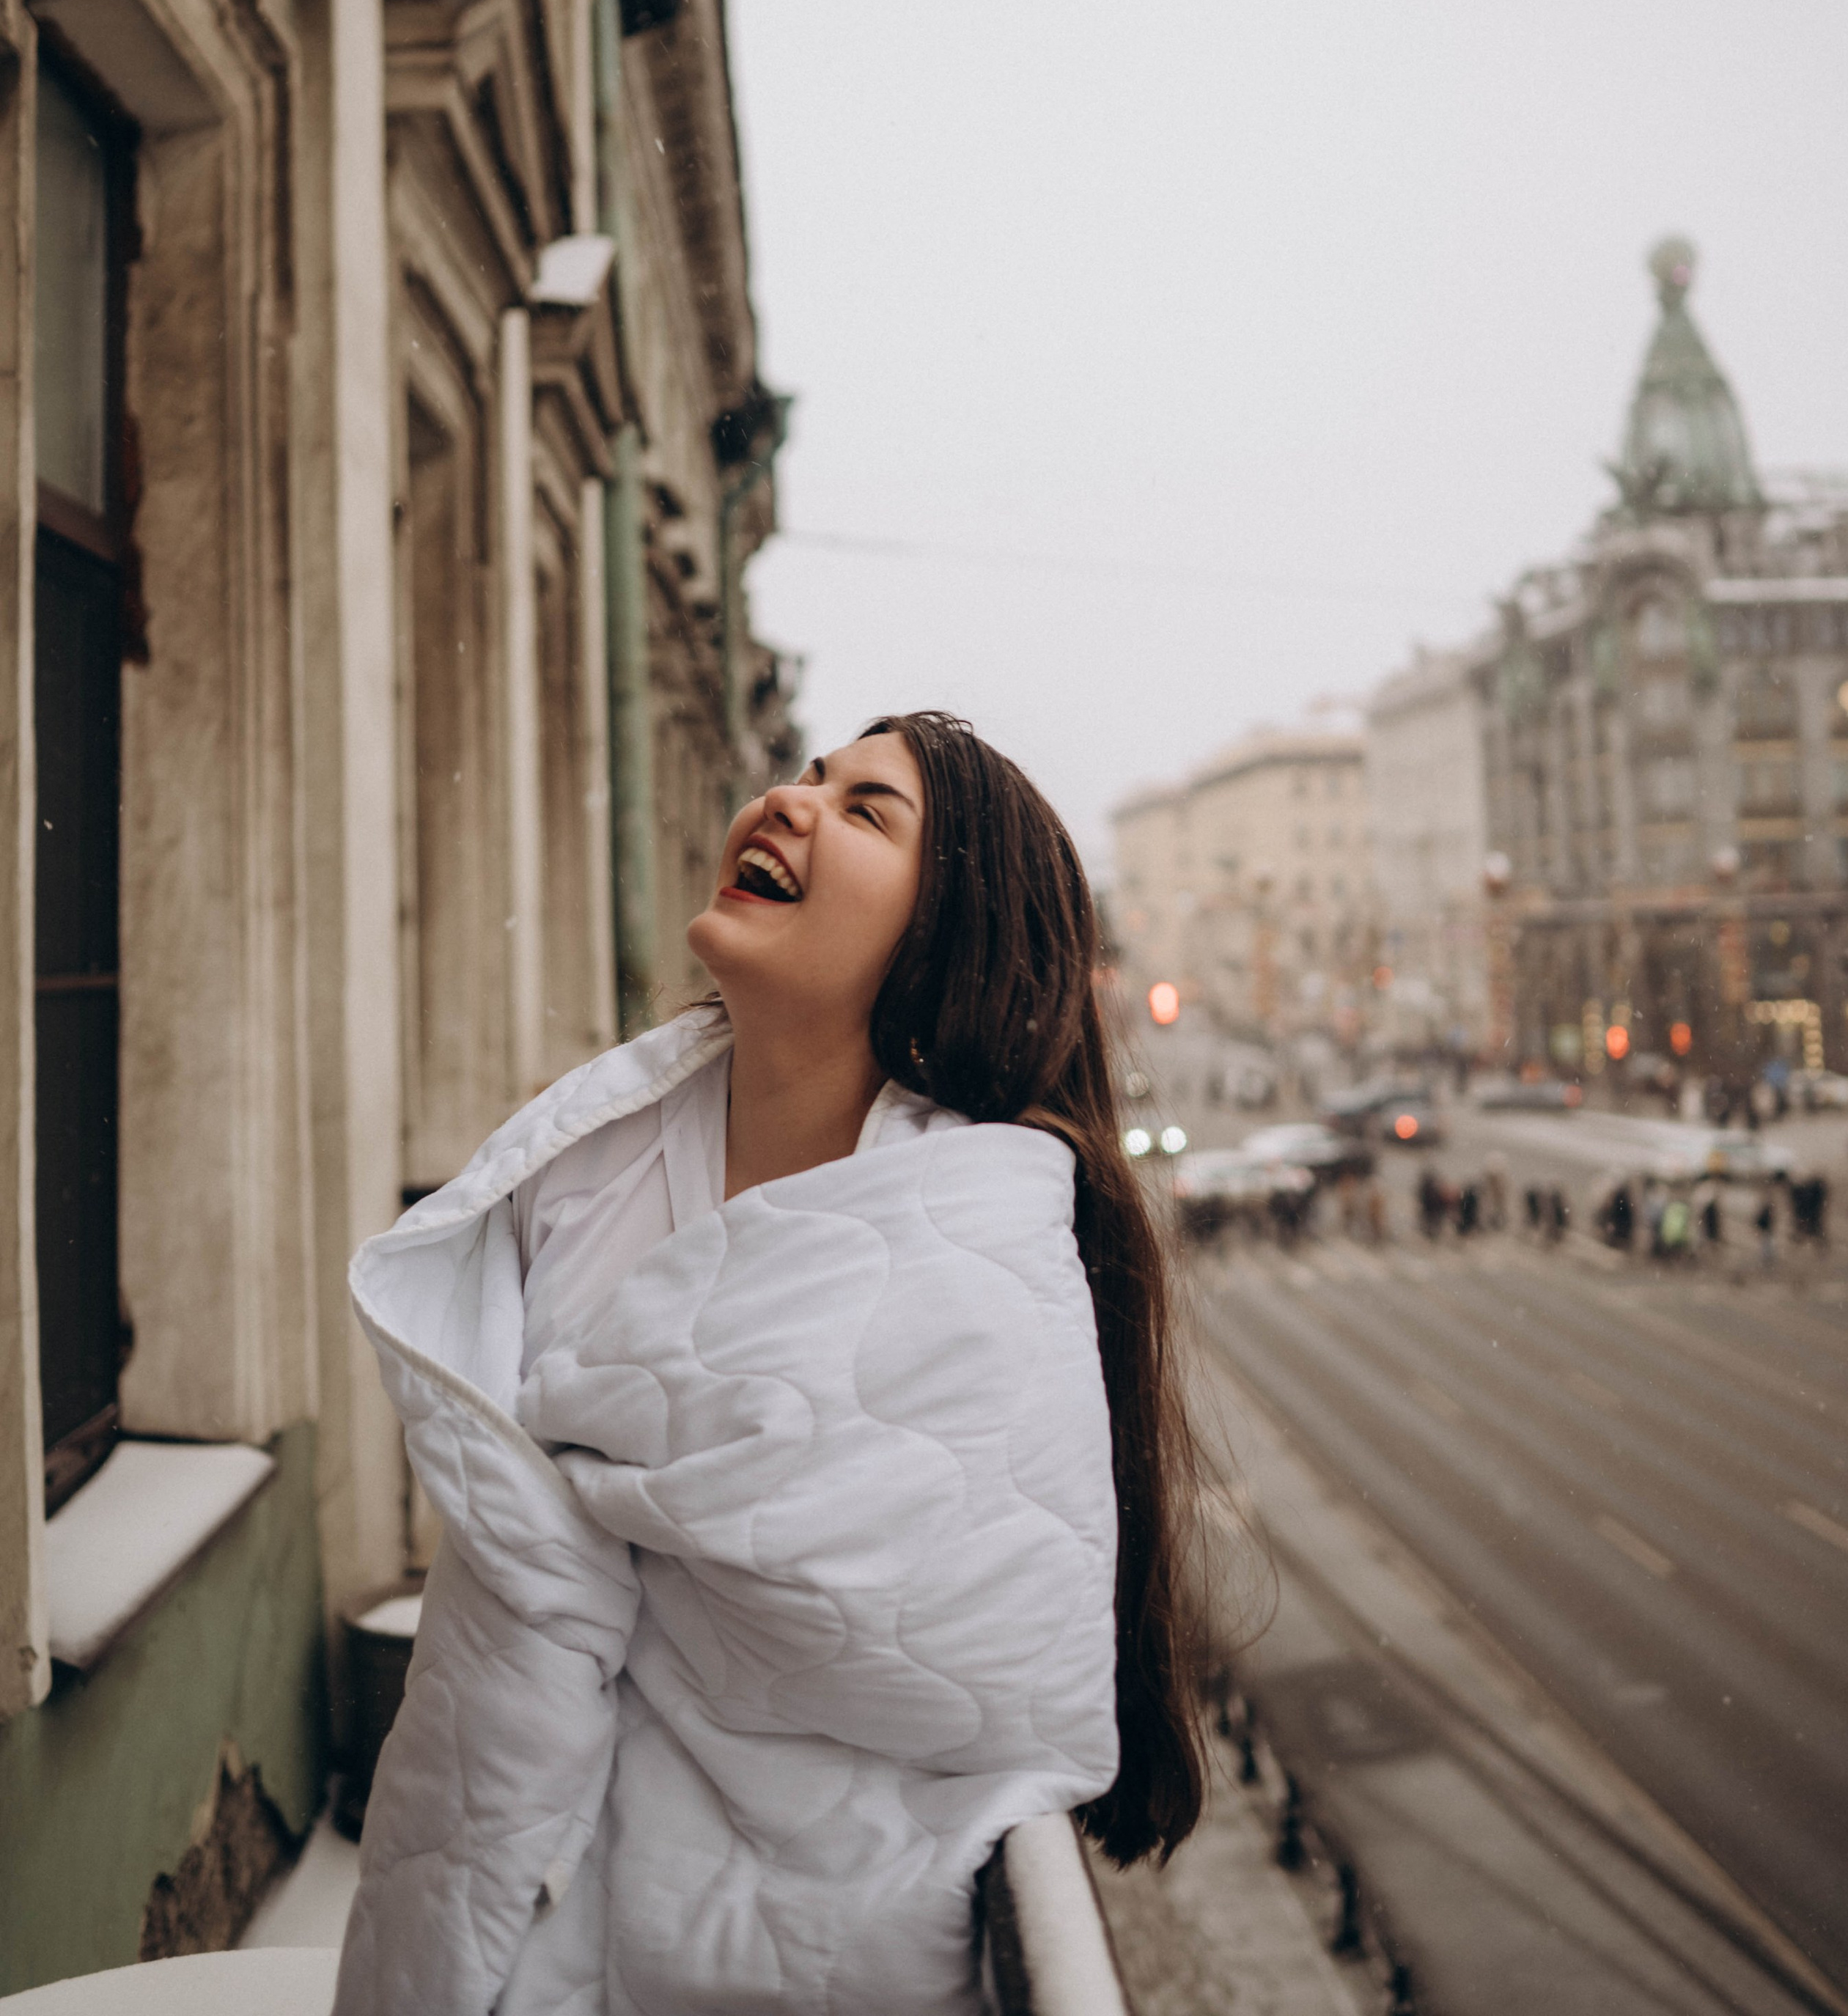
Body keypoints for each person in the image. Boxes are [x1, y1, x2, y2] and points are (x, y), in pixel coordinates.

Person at [335, 714, 1204, 2016]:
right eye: (808, 776)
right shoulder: (583, 1174)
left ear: (946, 935)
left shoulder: (975, 1240)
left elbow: (975, 1651)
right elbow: (522, 1574)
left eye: (868, 812)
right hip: (501, 1891)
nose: (788, 803)